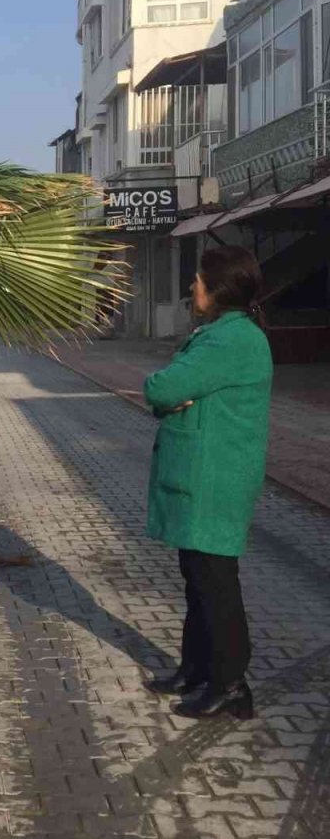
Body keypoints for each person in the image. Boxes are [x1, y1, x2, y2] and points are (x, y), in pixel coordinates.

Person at [141, 246, 272, 720]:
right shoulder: (221, 335)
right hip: (207, 475)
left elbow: (161, 387)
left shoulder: (229, 342)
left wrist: (172, 395)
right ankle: (195, 669)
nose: (191, 288)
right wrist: (174, 397)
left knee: (215, 585)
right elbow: (171, 392)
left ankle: (230, 684)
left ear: (217, 289)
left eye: (197, 280)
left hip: (216, 479)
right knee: (197, 580)